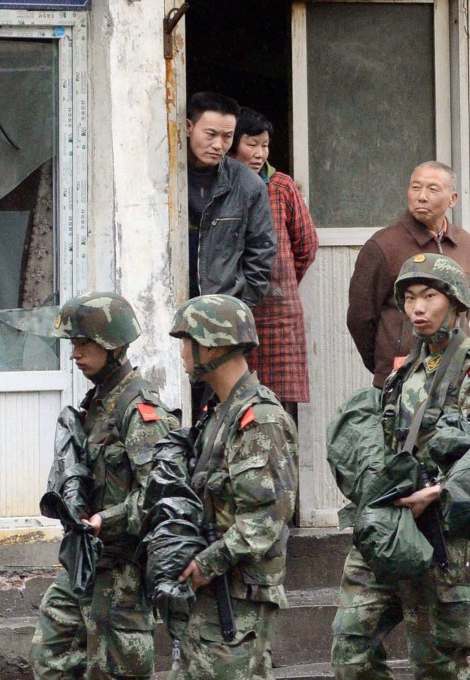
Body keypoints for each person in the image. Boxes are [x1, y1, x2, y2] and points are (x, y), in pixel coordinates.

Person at [330, 254, 470, 680]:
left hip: (444, 536)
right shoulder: (404, 370)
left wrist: (438, 492)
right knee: (350, 646)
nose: (417, 308)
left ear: (456, 303)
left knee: (438, 664)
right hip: (389, 526)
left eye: (429, 296)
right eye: (409, 298)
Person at [29, 292, 178, 680]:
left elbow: (159, 496)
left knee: (116, 671)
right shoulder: (98, 402)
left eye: (83, 343)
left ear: (113, 346)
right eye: (73, 344)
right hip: (87, 563)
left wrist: (105, 520)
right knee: (53, 651)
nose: (75, 354)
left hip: (123, 570)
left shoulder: (139, 410)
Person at [168, 294, 297, 680]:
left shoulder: (258, 420)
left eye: (186, 342)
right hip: (213, 593)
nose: (183, 354)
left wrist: (206, 563)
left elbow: (263, 521)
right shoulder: (217, 415)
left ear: (212, 343)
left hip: (237, 598)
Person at [347, 161, 470, 388]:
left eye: (433, 189)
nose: (421, 196)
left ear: (453, 199)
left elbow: (465, 307)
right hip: (402, 377)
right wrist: (386, 361)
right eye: (415, 187)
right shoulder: (383, 245)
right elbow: (360, 319)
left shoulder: (467, 245)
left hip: (458, 376)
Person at [228, 106, 318, 412]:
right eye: (251, 144)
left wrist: (282, 282)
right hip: (234, 310)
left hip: (279, 315)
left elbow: (306, 246)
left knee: (279, 407)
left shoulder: (281, 186)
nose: (259, 154)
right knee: (235, 399)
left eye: (264, 145)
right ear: (232, 143)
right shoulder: (221, 185)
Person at [186, 92, 276, 308]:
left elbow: (262, 252)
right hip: (167, 306)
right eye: (210, 134)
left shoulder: (248, 185)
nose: (218, 144)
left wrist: (239, 306)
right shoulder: (160, 182)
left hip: (222, 313)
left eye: (227, 136)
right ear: (189, 127)